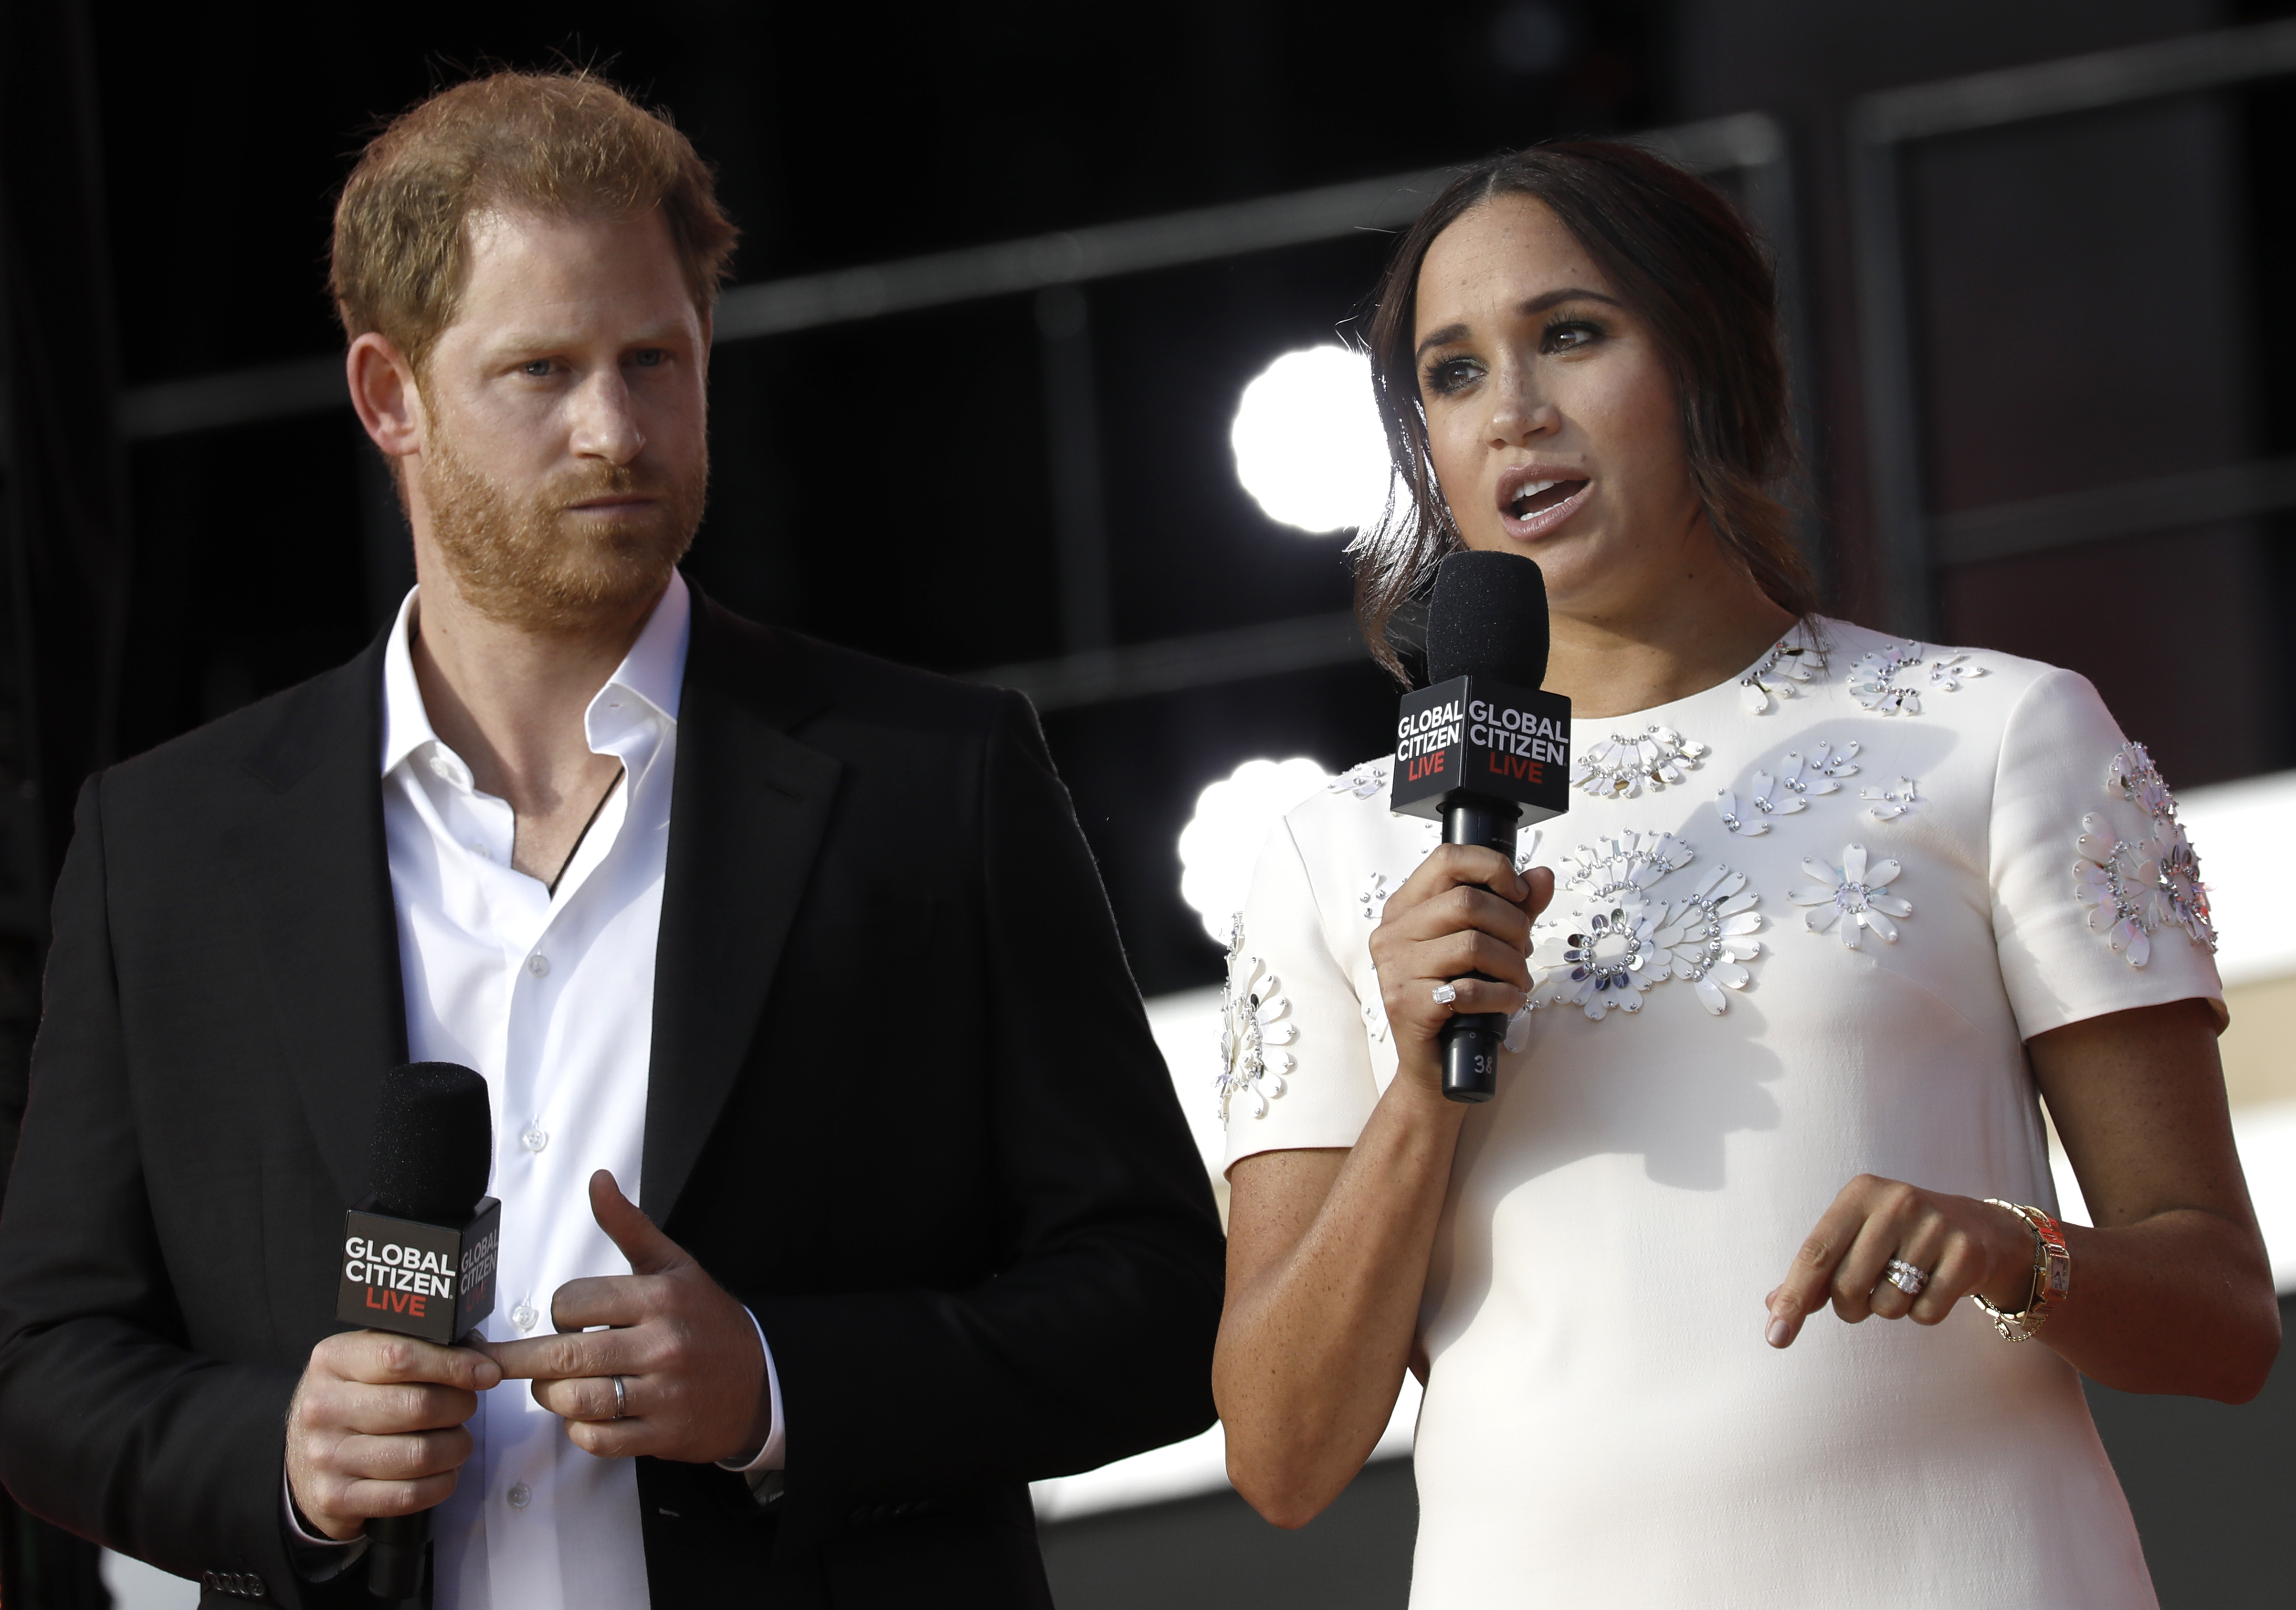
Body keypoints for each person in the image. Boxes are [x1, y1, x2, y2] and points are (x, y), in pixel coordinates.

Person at [0, 70, 1223, 1609]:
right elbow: (44, 1365)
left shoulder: (934, 780)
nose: (615, 428)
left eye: (656, 358)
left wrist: (778, 1386)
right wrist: (285, 1457)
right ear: (391, 397)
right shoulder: (167, 846)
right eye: (541, 369)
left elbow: (1160, 1303)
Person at [1211, 141, 2278, 1607]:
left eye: (1570, 334)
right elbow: (1283, 1455)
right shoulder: (1338, 853)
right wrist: (1418, 1087)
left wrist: (2006, 1249)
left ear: (1709, 360)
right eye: (1451, 374)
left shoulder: (1996, 735)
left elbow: (2223, 1324)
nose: (1513, 410)